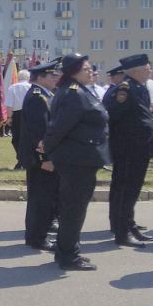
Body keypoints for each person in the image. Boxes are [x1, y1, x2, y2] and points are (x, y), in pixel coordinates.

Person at [42, 54, 109, 271]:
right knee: (74, 210)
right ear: (74, 72)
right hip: (76, 160)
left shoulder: (80, 90)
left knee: (73, 208)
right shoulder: (74, 94)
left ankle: (67, 251)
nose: (91, 72)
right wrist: (48, 152)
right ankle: (69, 256)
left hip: (81, 159)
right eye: (86, 69)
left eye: (91, 69)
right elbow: (59, 127)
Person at [103, 54, 153, 247]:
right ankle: (121, 230)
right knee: (124, 189)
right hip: (127, 147)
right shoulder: (124, 89)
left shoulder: (139, 88)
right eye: (147, 68)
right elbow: (112, 116)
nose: (150, 70)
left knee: (133, 188)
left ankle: (128, 223)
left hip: (138, 147)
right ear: (136, 71)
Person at [19, 60, 60, 250]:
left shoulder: (44, 94)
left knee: (45, 198)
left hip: (43, 158)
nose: (56, 78)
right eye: (52, 75)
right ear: (41, 77)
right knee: (40, 200)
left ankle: (39, 235)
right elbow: (39, 133)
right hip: (41, 160)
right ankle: (37, 238)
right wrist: (45, 160)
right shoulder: (37, 97)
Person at [5, 69, 32, 169]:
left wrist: (9, 117)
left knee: (16, 138)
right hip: (29, 114)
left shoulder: (12, 87)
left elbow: (9, 105)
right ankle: (23, 159)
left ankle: (21, 159)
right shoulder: (31, 87)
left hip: (17, 115)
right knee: (27, 138)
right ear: (28, 78)